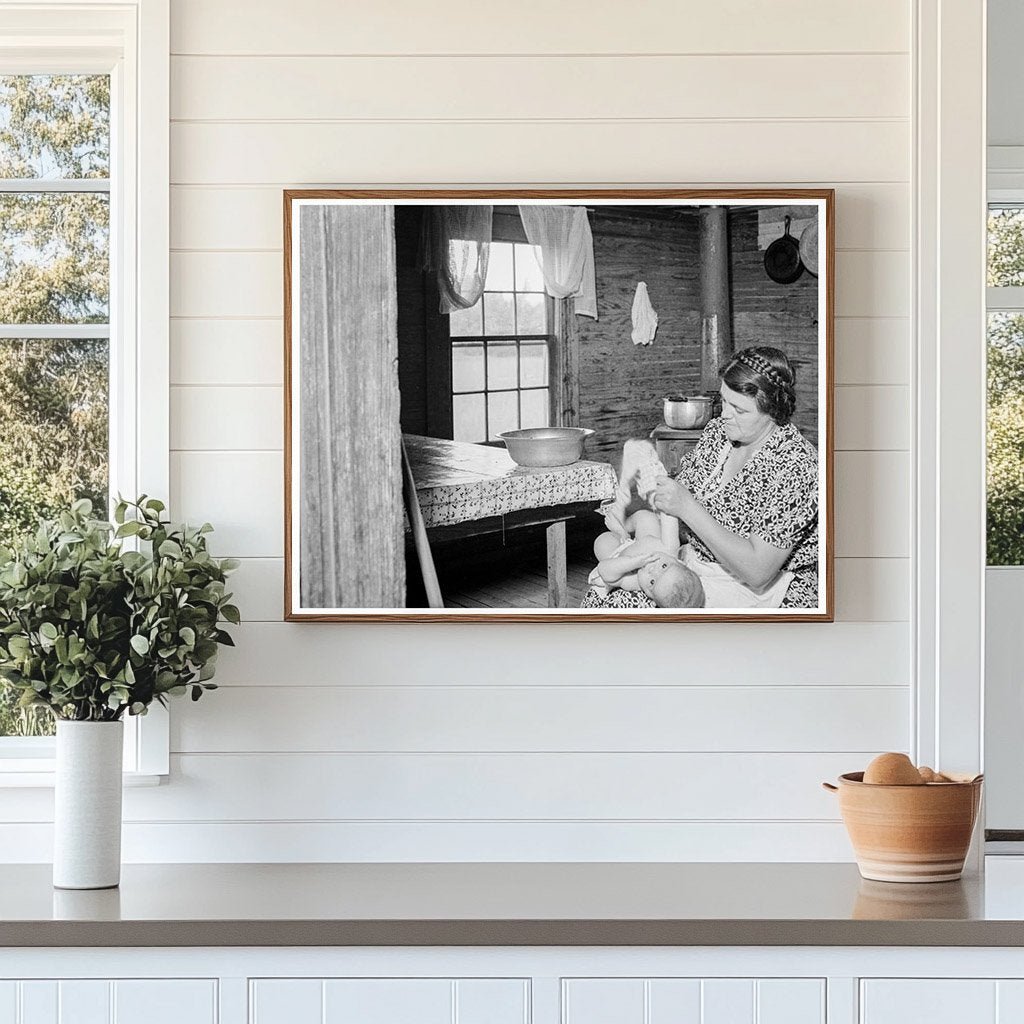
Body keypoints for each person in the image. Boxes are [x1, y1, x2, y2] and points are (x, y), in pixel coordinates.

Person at [581, 345, 819, 610]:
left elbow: (758, 573)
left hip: (761, 589)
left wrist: (686, 506)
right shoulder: (719, 433)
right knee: (611, 600)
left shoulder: (797, 465)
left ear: (772, 412)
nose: (725, 414)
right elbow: (678, 506)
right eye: (724, 401)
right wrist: (634, 515)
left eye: (739, 410)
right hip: (698, 565)